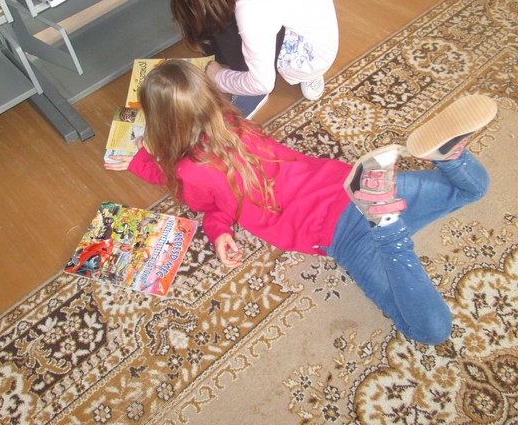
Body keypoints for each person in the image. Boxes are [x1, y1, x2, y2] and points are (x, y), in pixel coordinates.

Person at [106, 60, 497, 345]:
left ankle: (388, 228)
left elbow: (206, 202)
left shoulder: (189, 171)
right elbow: (224, 190)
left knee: (430, 330)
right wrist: (221, 227)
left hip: (339, 234)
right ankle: (449, 155)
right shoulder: (235, 123)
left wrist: (146, 165)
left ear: (163, 125)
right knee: (472, 190)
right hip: (349, 184)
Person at [149, 0, 339, 102]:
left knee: (220, 25)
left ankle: (306, 75)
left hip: (312, 54)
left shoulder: (252, 10)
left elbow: (262, 84)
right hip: (299, 17)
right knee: (211, 20)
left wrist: (218, 77)